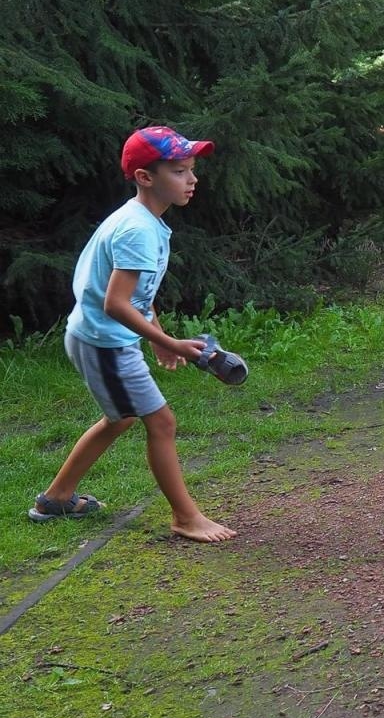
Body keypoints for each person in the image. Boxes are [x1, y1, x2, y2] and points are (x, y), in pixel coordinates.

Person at [30, 127, 237, 543]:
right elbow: (117, 303)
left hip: (100, 337)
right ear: (145, 177)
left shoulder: (144, 221)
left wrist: (159, 337)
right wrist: (172, 343)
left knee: (120, 419)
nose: (192, 180)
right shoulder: (138, 229)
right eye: (179, 171)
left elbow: (139, 297)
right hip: (103, 341)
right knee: (161, 422)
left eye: (192, 170)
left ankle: (56, 499)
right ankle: (185, 517)